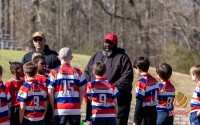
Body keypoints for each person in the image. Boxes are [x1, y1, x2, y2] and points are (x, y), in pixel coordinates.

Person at [84, 33, 133, 125]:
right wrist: (92, 84)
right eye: (106, 42)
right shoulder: (97, 55)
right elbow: (87, 71)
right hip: (97, 103)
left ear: (115, 44)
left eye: (110, 43)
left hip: (118, 101)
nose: (107, 45)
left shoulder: (123, 58)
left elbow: (127, 77)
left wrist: (111, 87)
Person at [47, 47, 87, 125]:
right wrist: (79, 104)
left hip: (59, 108)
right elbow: (82, 91)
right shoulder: (78, 72)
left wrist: (53, 107)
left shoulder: (53, 72)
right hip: (74, 107)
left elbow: (50, 92)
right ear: (71, 58)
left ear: (58, 57)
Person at [133, 57, 158, 125]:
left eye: (134, 68)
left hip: (144, 113)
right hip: (154, 112)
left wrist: (135, 119)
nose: (134, 71)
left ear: (139, 69)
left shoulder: (141, 82)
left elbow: (139, 102)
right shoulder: (154, 80)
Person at [32, 55, 53, 125]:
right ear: (35, 65)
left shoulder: (49, 77)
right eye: (41, 63)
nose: (44, 65)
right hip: (35, 106)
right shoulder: (32, 77)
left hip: (48, 105)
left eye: (45, 63)